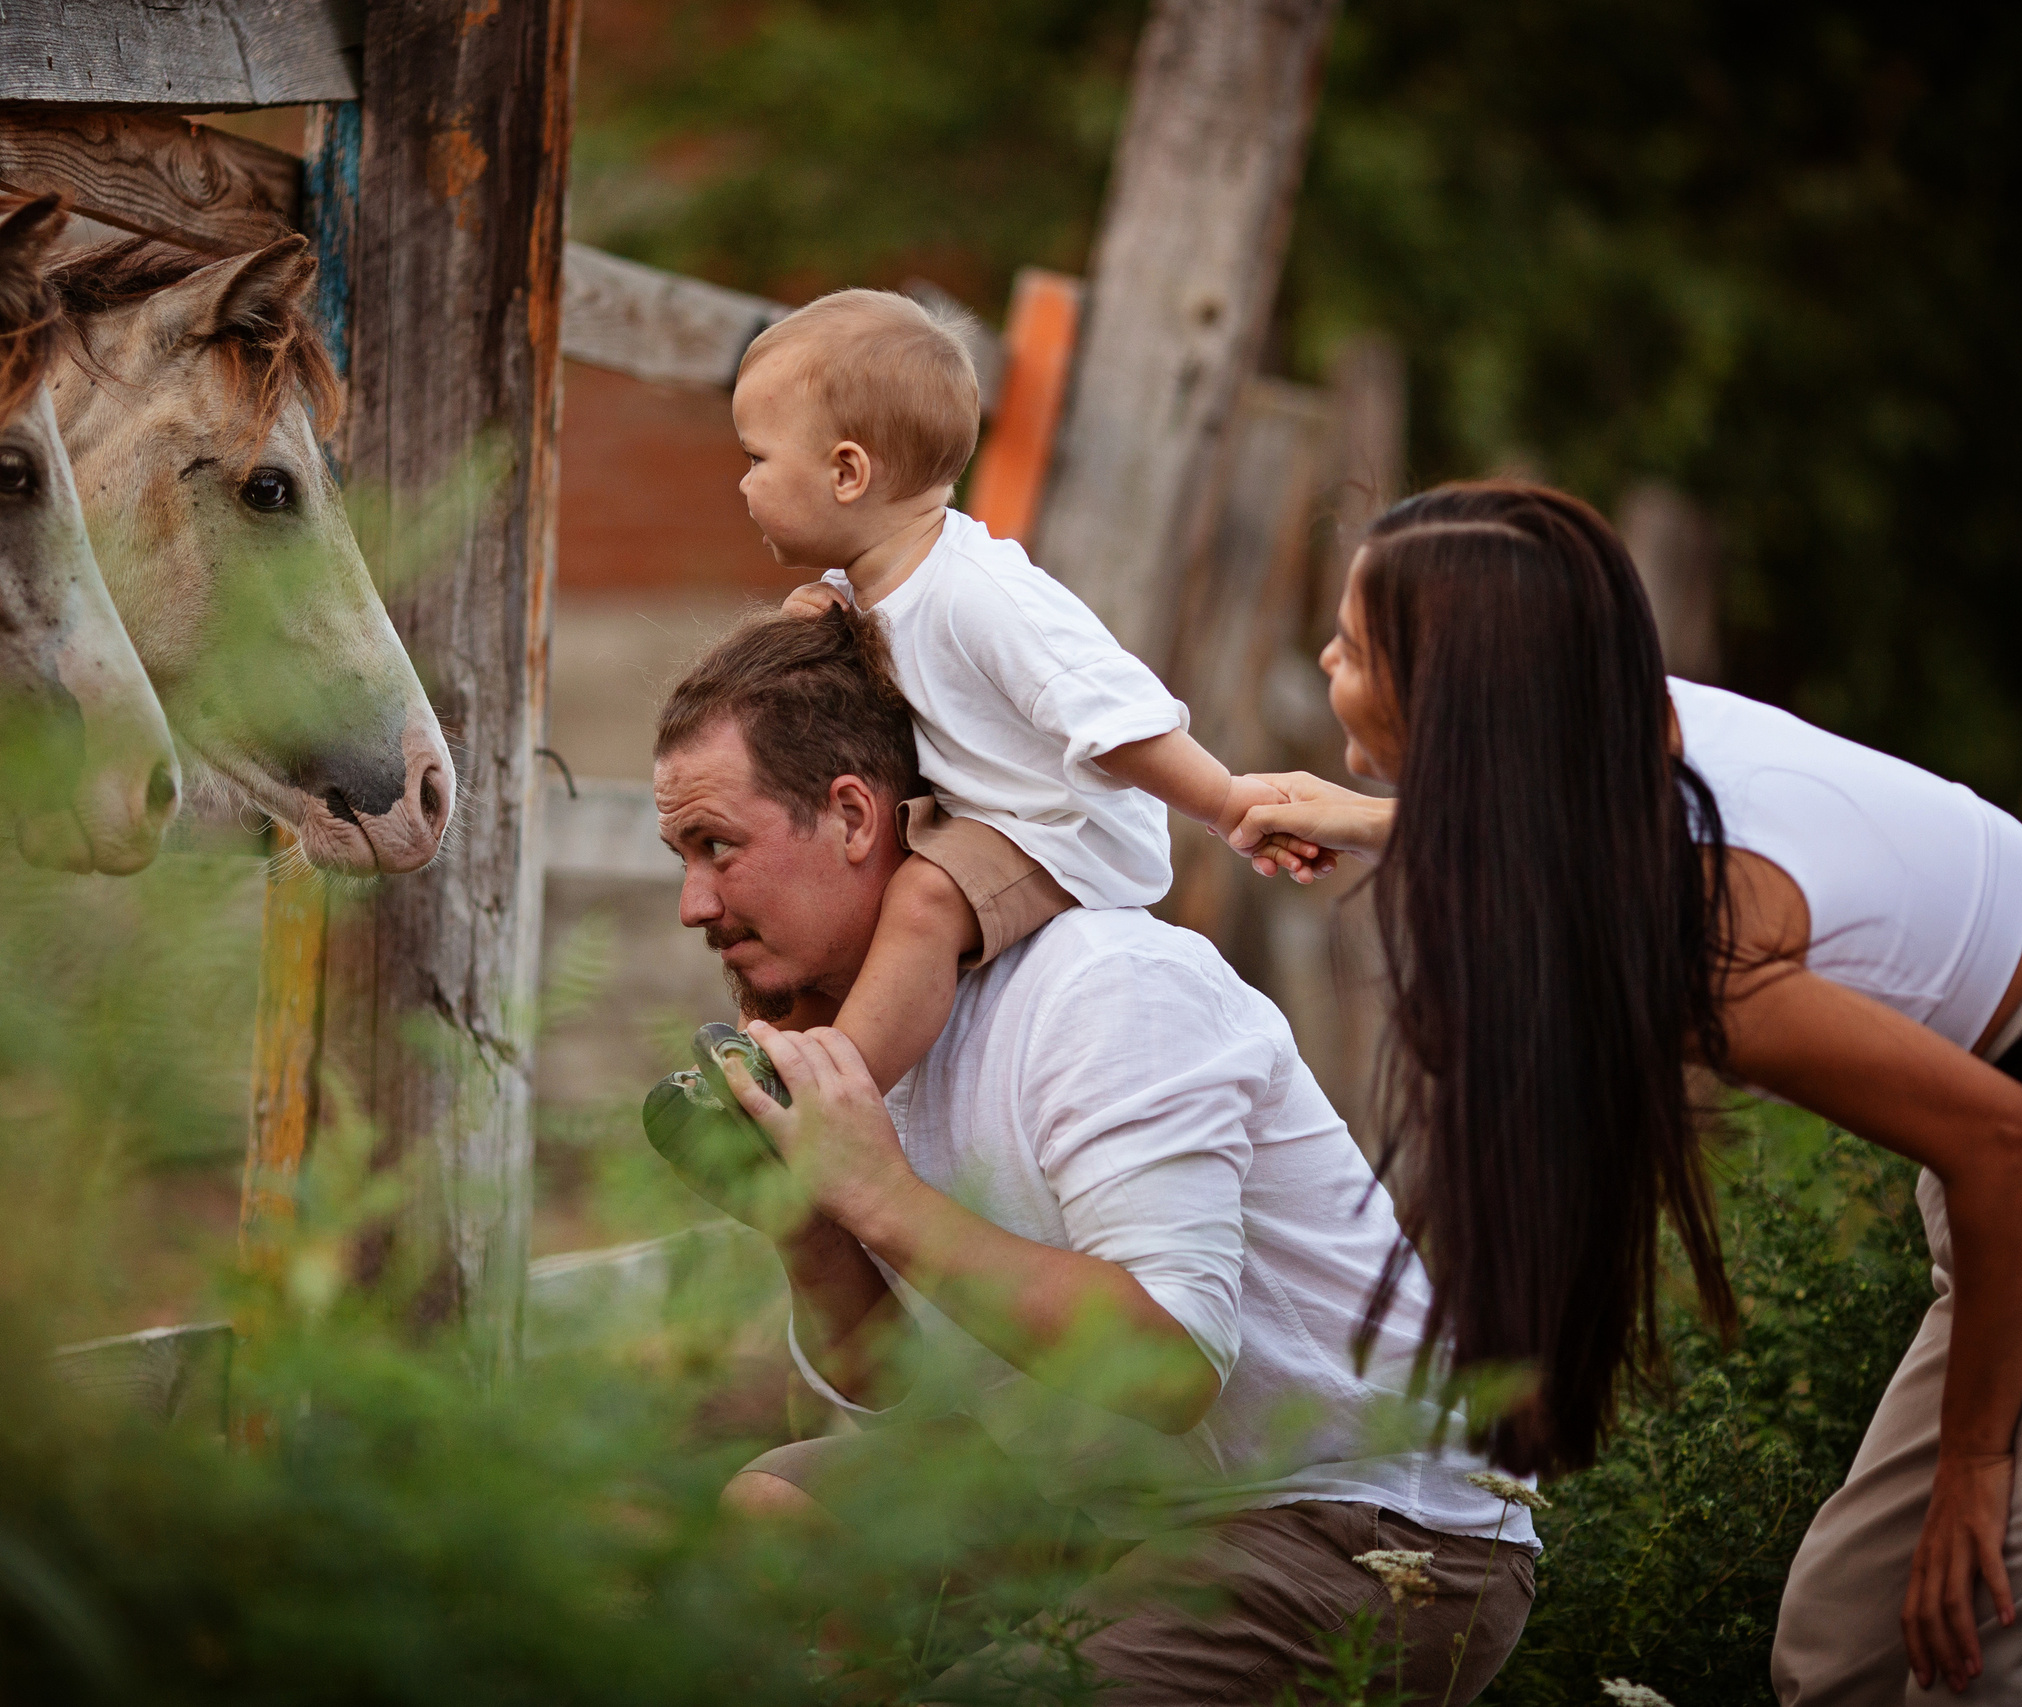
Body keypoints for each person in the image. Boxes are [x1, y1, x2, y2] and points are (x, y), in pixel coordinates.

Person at [1232, 481, 2022, 1703]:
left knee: (1993, 1656)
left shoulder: (1701, 945)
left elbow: (2004, 1148)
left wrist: (1974, 1462)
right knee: (1842, 1649)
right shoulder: (1616, 715)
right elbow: (1540, 808)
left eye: (1352, 647)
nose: (1324, 656)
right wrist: (1379, 816)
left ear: (1462, 700)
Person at [648, 607, 1539, 1704]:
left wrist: (879, 1195)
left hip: (1359, 1526)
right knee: (785, 1511)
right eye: (681, 857)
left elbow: (1170, 1367)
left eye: (717, 847)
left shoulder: (1105, 987)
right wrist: (806, 1215)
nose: (694, 904)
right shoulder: (864, 1050)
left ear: (848, 816)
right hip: (1117, 1512)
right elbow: (905, 1398)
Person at [728, 288, 1276, 1093]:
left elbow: (1116, 715)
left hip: (1059, 828)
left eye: (756, 458)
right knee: (844, 885)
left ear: (847, 471)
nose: (742, 485)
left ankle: (827, 1102)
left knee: (922, 897)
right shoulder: (865, 585)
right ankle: (775, 1057)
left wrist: (1229, 807)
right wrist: (816, 625)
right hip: (974, 812)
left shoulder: (982, 595)